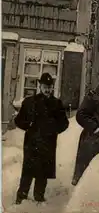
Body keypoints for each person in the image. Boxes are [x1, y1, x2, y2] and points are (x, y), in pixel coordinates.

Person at [14, 72, 69, 205]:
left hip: (48, 143)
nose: (47, 89)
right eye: (45, 86)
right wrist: (28, 125)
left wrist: (54, 129)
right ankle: (21, 196)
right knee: (27, 171)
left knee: (43, 172)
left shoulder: (57, 104)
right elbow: (18, 120)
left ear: (53, 87)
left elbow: (64, 123)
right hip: (32, 142)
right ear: (40, 86)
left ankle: (39, 196)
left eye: (49, 86)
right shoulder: (29, 102)